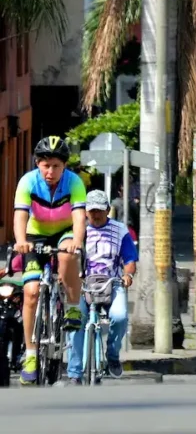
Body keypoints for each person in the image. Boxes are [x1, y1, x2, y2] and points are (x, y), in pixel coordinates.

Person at [13, 136, 87, 385]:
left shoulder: (74, 182)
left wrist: (77, 240)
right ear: (37, 163)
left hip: (64, 232)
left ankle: (73, 306)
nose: (50, 171)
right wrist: (21, 241)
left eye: (56, 166)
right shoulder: (28, 181)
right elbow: (20, 215)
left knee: (67, 253)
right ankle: (30, 355)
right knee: (31, 292)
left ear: (64, 166)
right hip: (35, 235)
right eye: (46, 165)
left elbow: (79, 217)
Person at [66, 190, 137, 385]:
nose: (95, 215)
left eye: (99, 210)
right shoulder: (78, 231)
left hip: (112, 283)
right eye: (92, 211)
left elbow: (130, 259)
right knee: (75, 320)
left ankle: (112, 355)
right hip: (83, 286)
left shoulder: (120, 230)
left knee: (120, 316)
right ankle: (74, 372)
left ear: (107, 210)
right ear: (85, 212)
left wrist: (128, 275)